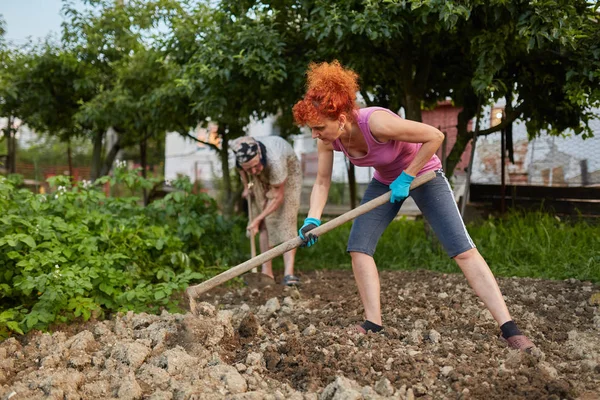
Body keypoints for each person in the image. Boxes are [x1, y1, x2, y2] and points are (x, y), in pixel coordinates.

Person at [291, 60, 535, 351]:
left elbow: (435, 136)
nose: (315, 134)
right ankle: (373, 323)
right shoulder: (328, 140)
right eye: (312, 129)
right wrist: (312, 219)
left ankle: (510, 328)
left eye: (319, 128)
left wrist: (407, 177)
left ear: (341, 118)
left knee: (462, 250)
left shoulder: (376, 122)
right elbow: (321, 181)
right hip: (385, 181)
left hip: (423, 174)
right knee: (358, 247)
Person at [232, 135, 303, 286]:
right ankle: (266, 272)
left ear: (260, 155)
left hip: (287, 173)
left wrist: (256, 219)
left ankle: (288, 274)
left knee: (286, 218)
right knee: (263, 223)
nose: (253, 170)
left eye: (255, 166)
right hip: (263, 169)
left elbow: (278, 197)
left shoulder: (275, 161)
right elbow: (241, 169)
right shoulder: (240, 152)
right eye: (249, 168)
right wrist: (246, 187)